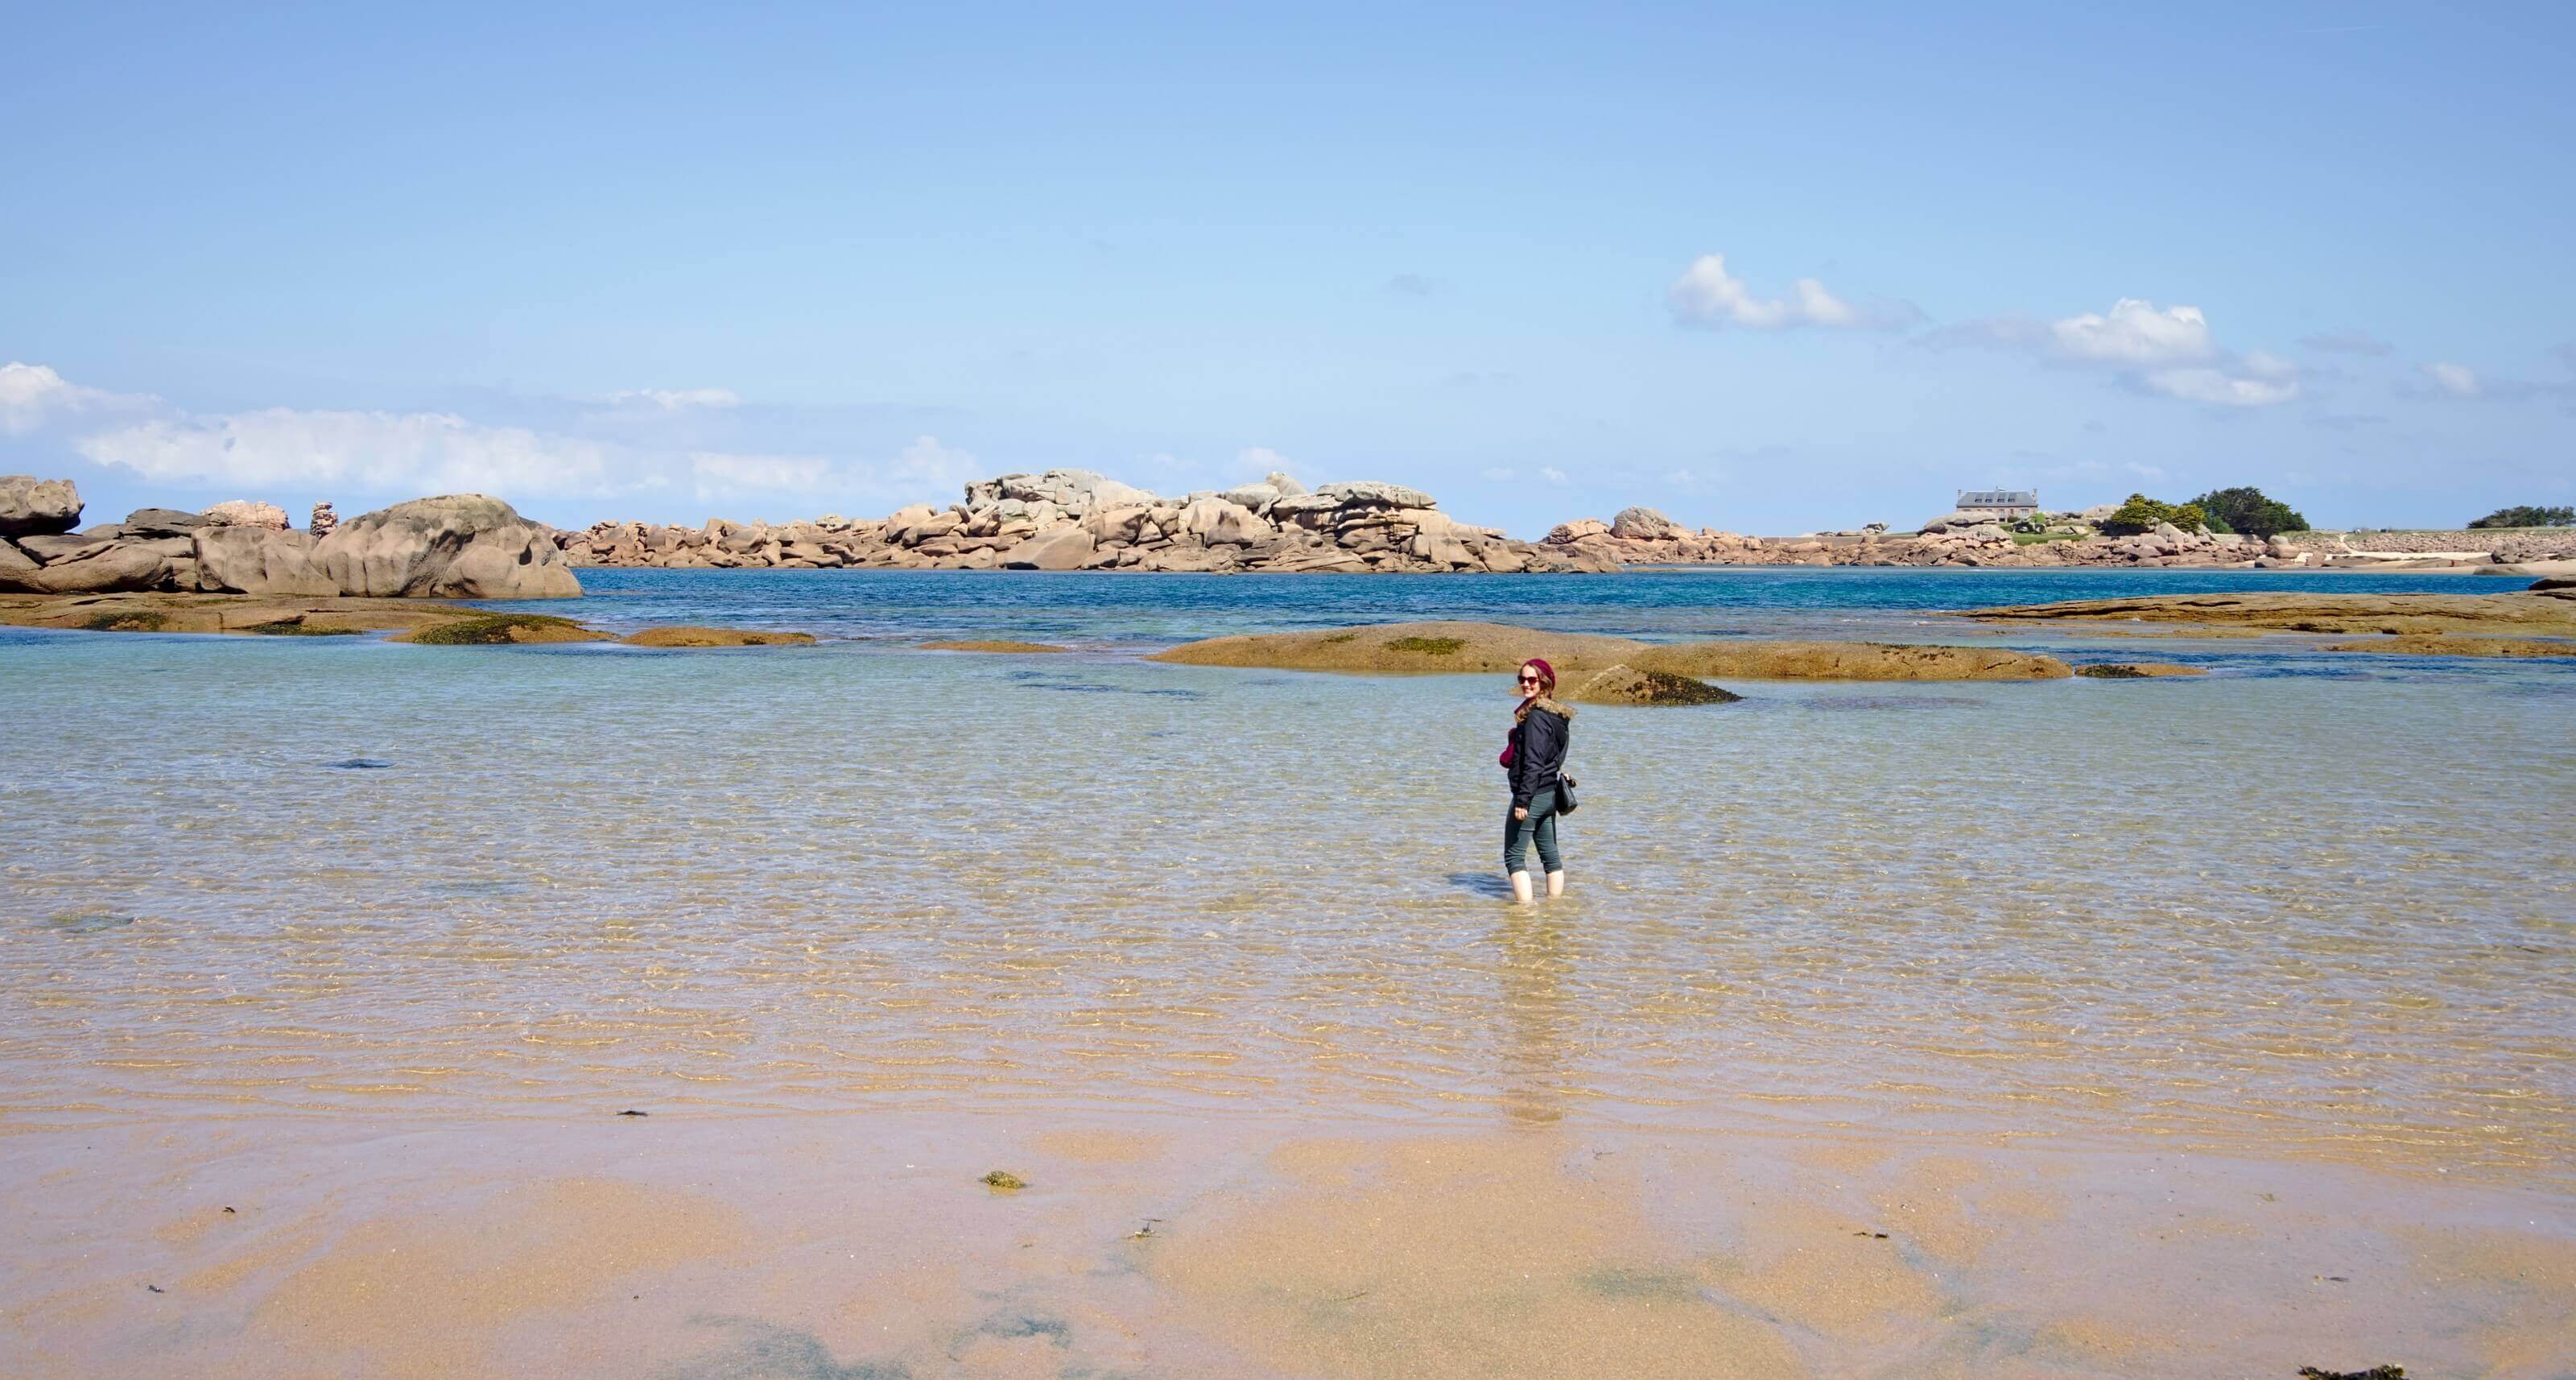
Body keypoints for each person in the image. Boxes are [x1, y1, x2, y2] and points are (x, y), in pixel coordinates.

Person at [1499, 657, 1572, 904]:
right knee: (1550, 856)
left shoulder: (1536, 719)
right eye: (1522, 679)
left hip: (1533, 795)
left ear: (1545, 683)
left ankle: (1524, 916)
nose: (1526, 684)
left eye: (1532, 679)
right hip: (1550, 794)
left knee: (1514, 857)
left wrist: (1523, 800)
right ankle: (1554, 910)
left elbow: (1533, 762)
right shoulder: (1557, 716)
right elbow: (1555, 755)